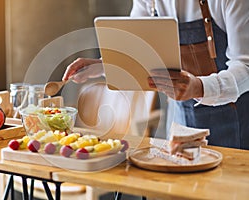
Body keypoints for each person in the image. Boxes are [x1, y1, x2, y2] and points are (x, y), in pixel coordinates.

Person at [62, 0, 249, 150]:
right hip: (180, 120)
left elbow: (245, 66)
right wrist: (102, 65)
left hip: (236, 124)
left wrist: (199, 87)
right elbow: (137, 47)